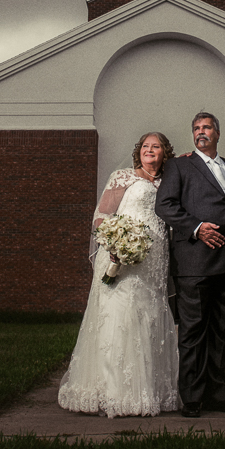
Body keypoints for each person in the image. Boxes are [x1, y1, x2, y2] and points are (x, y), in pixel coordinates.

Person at [57, 132, 180, 418]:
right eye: (146, 146)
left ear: (165, 153)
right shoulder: (123, 177)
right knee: (121, 316)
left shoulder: (169, 181)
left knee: (150, 316)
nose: (150, 150)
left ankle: (151, 391)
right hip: (122, 256)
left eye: (157, 146)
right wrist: (116, 244)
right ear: (139, 151)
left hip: (155, 260)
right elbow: (102, 216)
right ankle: (114, 393)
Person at [155, 111, 225, 418]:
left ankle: (217, 395)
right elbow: (164, 205)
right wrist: (196, 227)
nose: (201, 132)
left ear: (217, 133)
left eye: (207, 127)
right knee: (192, 333)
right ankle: (191, 399)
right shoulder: (179, 166)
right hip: (195, 263)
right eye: (196, 128)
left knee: (221, 334)